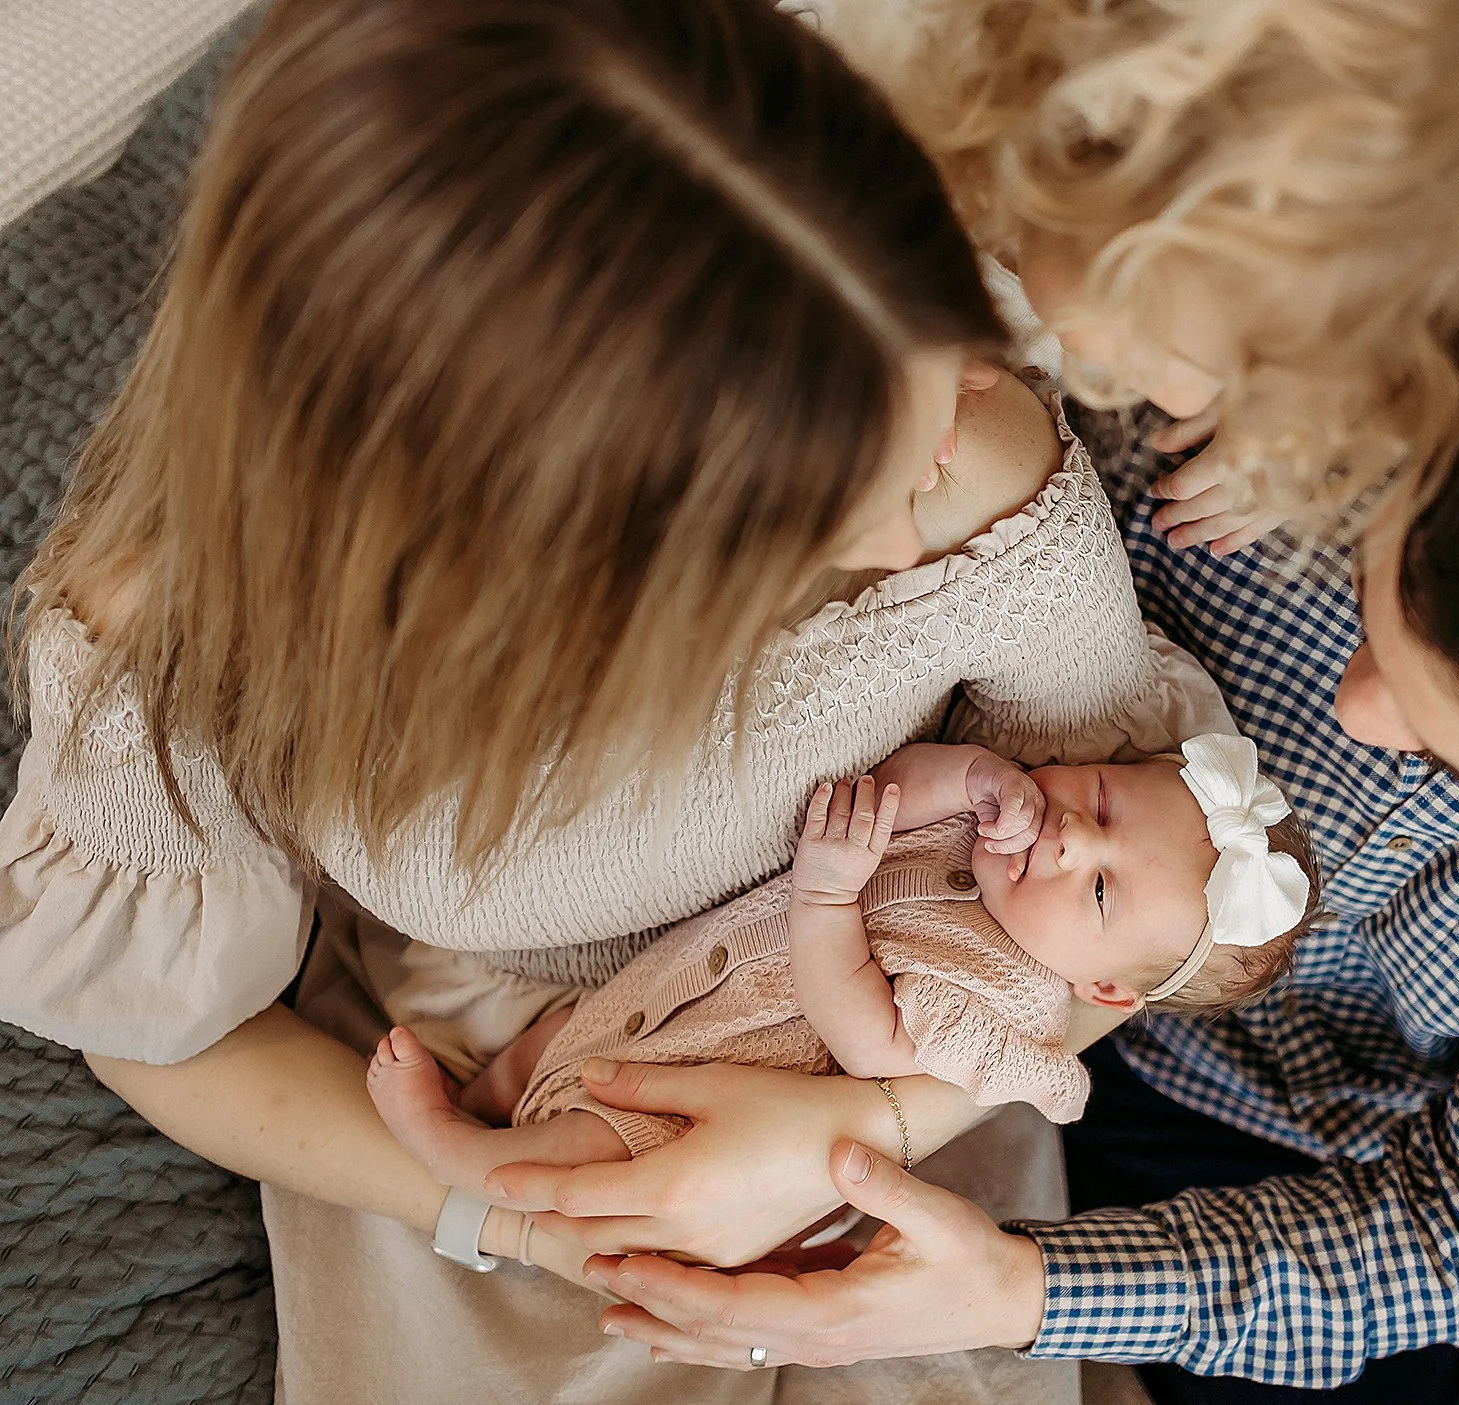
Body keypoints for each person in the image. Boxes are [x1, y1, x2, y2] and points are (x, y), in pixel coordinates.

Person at [569, 178, 1459, 1402]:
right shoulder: (1289, 319)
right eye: (1377, 604)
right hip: (1153, 1058)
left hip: (1457, 1145)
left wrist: (1008, 1293)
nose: (1355, 717)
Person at [0, 1, 1230, 1401]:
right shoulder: (188, 632)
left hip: (897, 1010)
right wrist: (525, 1214)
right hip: (494, 1099)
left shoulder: (967, 457)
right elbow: (171, 1040)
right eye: (843, 504)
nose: (925, 499)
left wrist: (858, 1121)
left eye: (937, 364)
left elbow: (1151, 891)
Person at [840, 0, 1459, 550]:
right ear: (1085, 151)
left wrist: (1283, 431)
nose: (1179, 403)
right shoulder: (880, 88)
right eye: (1171, 357)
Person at [367, 738, 1319, 1194]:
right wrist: (975, 772)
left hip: (705, 1080)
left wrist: (826, 898)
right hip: (668, 986)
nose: (1071, 839)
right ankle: (489, 1089)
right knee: (554, 1043)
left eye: (1101, 892)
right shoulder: (995, 816)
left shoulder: (1012, 1004)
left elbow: (868, 1036)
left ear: (1103, 989)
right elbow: (893, 787)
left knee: (591, 1144)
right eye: (1103, 801)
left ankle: (458, 1154)